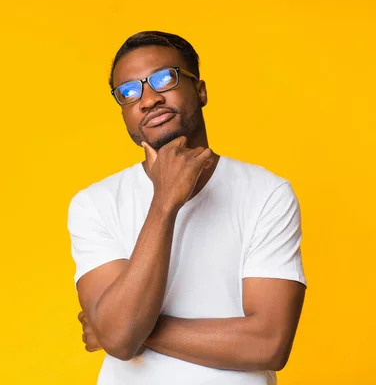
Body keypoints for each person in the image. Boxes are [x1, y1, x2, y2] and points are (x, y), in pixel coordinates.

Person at [66, 31, 306, 385]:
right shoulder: (95, 203)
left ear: (201, 90)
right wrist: (165, 201)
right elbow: (118, 337)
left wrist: (125, 330)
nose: (148, 99)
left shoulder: (267, 193)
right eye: (129, 92)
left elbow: (268, 343)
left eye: (164, 78)